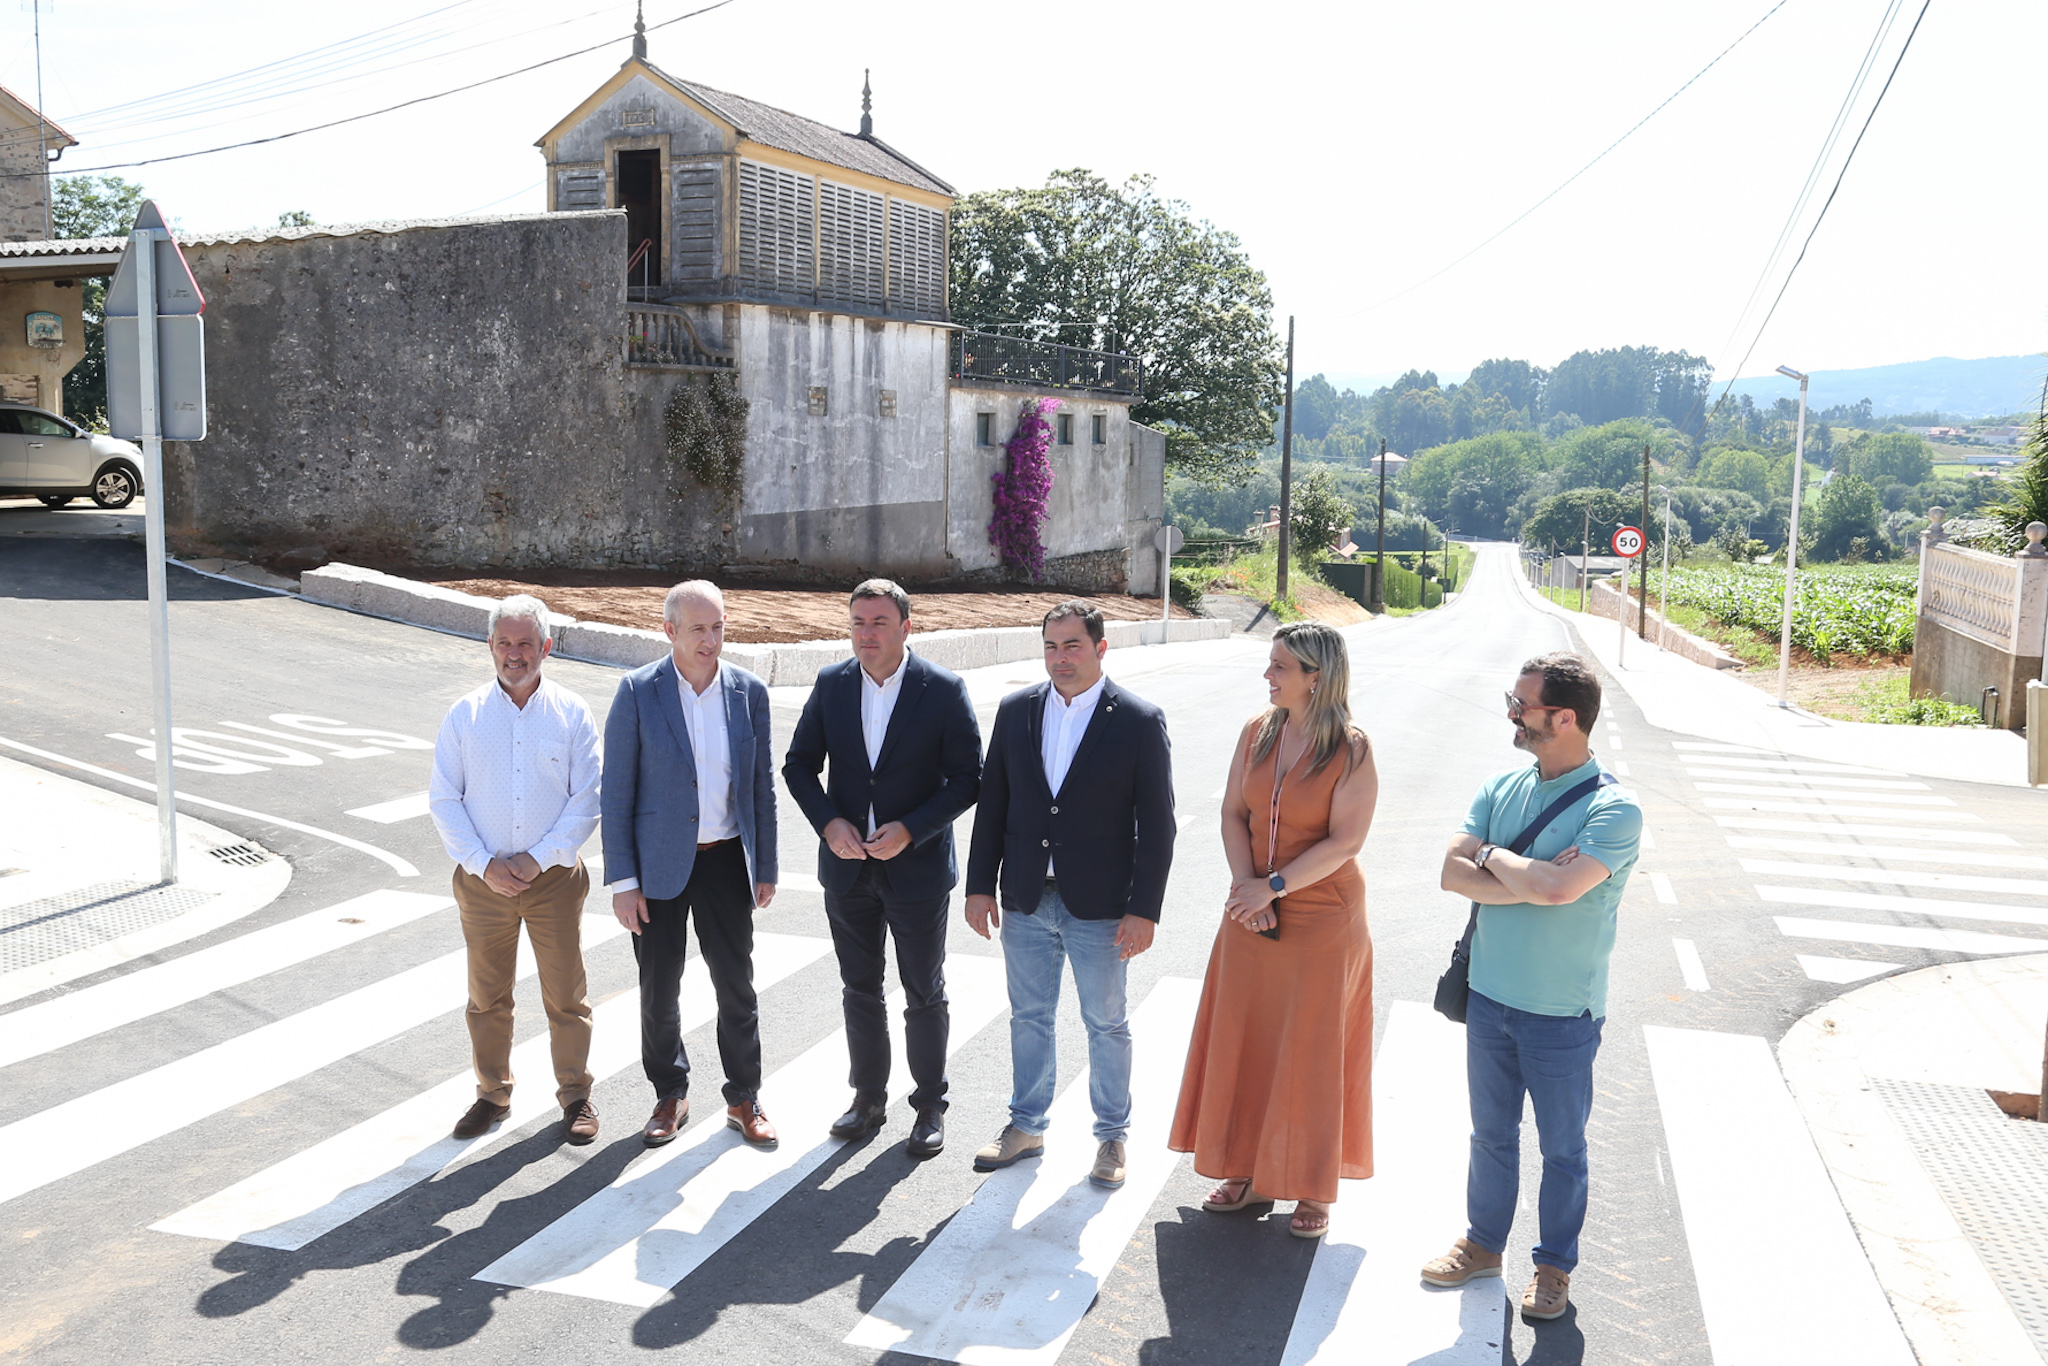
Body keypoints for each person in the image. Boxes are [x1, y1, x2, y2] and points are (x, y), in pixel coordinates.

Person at [1421, 652, 1641, 1322]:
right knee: (1490, 1136)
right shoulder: (1500, 786)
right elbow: (1451, 872)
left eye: (1522, 705)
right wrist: (1528, 873)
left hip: (1562, 1011)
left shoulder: (1615, 810)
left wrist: (1494, 858)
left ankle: (1552, 1268)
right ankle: (1483, 1245)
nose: (1512, 714)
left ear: (1564, 718)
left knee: (1562, 1150)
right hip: (1489, 995)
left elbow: (1558, 891)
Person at [1168, 622, 1378, 1239]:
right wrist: (1247, 889)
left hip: (1323, 916)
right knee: (1247, 1040)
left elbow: (1346, 842)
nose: (1268, 674)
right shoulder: (1256, 732)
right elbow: (1233, 813)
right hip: (1250, 909)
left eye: (1280, 666)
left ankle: (1312, 1188)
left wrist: (1275, 887)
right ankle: (1244, 1169)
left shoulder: (1353, 749)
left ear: (1316, 677)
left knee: (1311, 1053)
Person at [964, 601, 1176, 1189]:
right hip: (1027, 897)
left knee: (1105, 1022)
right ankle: (1026, 1125)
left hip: (1101, 905)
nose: (1060, 658)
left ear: (1101, 648)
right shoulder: (1017, 711)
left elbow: (1158, 825)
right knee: (1029, 1017)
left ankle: (1112, 1137)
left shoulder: (1138, 720)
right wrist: (980, 885)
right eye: (1051, 646)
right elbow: (994, 804)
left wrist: (1144, 909)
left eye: (1073, 646)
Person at [783, 578, 981, 1157]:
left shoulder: (942, 689)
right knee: (860, 988)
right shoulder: (832, 684)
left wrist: (912, 828)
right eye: (858, 623)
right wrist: (829, 824)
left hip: (916, 870)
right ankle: (868, 1099)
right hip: (848, 868)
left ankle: (929, 1107)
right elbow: (798, 766)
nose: (866, 635)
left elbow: (968, 778)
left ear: (906, 628)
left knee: (923, 990)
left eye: (879, 623)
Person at [602, 581, 779, 1149]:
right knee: (658, 991)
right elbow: (616, 792)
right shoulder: (638, 691)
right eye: (699, 629)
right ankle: (669, 1093)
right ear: (670, 631)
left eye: (719, 627)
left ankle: (744, 1096)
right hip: (657, 868)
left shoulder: (748, 692)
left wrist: (766, 866)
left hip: (726, 861)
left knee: (737, 987)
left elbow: (760, 787)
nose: (711, 639)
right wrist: (624, 882)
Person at [429, 594, 603, 1145]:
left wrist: (538, 857)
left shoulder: (571, 713)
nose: (514, 653)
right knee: (487, 997)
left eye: (525, 642)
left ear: (546, 647)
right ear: (489, 645)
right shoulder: (465, 714)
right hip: (483, 883)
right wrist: (483, 864)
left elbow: (588, 799)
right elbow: (444, 799)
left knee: (566, 995)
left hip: (553, 880)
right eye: (504, 642)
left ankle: (575, 1094)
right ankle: (492, 1094)